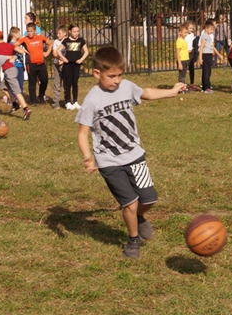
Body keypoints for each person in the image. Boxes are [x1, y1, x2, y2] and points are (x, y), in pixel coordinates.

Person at [75, 46, 186, 258]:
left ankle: (139, 217)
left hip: (135, 155)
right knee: (130, 203)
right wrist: (88, 158)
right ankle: (133, 239)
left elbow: (146, 93)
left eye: (120, 75)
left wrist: (171, 92)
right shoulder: (92, 99)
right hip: (109, 162)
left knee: (149, 199)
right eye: (112, 76)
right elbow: (82, 133)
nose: (117, 80)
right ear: (97, 73)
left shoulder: (126, 87)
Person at [0, 30, 32, 120]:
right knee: (3, 87)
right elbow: (20, 51)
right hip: (12, 69)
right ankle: (15, 104)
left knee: (16, 91)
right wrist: (21, 51)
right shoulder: (9, 45)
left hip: (9, 71)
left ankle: (26, 108)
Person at [15, 23, 52, 105]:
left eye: (31, 31)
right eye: (28, 31)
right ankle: (33, 99)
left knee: (44, 80)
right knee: (32, 81)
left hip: (41, 62)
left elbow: (50, 43)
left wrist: (47, 53)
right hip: (31, 63)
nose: (30, 33)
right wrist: (22, 50)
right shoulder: (25, 39)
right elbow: (14, 45)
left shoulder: (40, 38)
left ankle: (41, 96)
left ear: (35, 30)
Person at [57, 23, 89, 110]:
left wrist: (81, 60)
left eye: (78, 31)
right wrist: (63, 59)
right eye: (74, 31)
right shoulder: (66, 41)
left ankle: (75, 101)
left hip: (76, 64)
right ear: (70, 31)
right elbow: (59, 51)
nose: (76, 33)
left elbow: (86, 52)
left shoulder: (81, 40)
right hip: (68, 64)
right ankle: (67, 101)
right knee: (68, 83)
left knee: (75, 82)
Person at [198, 20, 222, 94]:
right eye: (211, 29)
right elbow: (201, 46)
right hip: (205, 55)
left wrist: (219, 54)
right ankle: (206, 87)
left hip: (209, 54)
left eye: (213, 29)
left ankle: (206, 86)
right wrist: (200, 57)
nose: (212, 31)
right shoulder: (204, 36)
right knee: (206, 72)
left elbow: (212, 46)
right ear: (206, 28)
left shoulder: (209, 37)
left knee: (208, 71)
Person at [52, 25, 68, 109]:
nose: (58, 35)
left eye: (59, 33)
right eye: (57, 33)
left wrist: (63, 60)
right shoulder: (56, 42)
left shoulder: (68, 41)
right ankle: (56, 102)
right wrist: (60, 59)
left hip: (65, 64)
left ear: (65, 33)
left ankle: (67, 101)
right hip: (57, 63)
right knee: (57, 84)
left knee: (66, 84)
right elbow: (54, 53)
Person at [7, 27, 25, 102]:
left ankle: (18, 98)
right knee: (14, 84)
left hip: (20, 65)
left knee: (20, 83)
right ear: (14, 34)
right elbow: (21, 51)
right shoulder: (11, 44)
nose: (20, 35)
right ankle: (12, 98)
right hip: (14, 66)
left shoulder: (17, 43)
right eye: (18, 33)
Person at [185, 21, 200, 91]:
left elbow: (195, 42)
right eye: (190, 28)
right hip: (185, 53)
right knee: (184, 69)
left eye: (192, 28)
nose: (191, 29)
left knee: (192, 69)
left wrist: (197, 36)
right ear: (186, 28)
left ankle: (192, 84)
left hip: (191, 53)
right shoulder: (185, 35)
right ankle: (182, 85)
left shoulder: (192, 35)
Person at [175, 23, 190, 91]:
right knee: (182, 75)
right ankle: (181, 88)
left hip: (185, 59)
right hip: (182, 60)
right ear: (180, 32)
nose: (186, 34)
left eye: (187, 32)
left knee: (184, 74)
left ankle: (183, 87)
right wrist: (179, 63)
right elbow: (178, 52)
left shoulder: (183, 40)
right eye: (184, 32)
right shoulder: (179, 41)